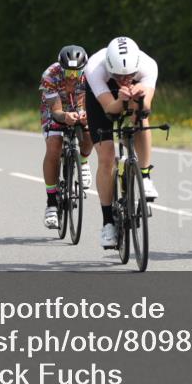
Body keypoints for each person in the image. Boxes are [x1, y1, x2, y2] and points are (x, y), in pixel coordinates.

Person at [85, 37, 159, 248]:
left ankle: (144, 176)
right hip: (102, 100)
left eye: (129, 76)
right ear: (109, 68)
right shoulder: (94, 68)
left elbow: (146, 107)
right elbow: (109, 109)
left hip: (136, 95)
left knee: (142, 118)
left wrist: (139, 98)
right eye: (118, 76)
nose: (124, 79)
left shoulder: (147, 66)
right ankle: (108, 223)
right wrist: (121, 100)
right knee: (106, 158)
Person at [39, 45, 94, 229]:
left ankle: (83, 161)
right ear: (61, 68)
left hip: (79, 107)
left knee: (91, 130)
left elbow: (91, 102)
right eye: (68, 72)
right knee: (54, 145)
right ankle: (51, 204)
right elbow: (55, 111)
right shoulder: (50, 75)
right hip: (55, 110)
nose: (72, 76)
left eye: (76, 73)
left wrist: (86, 115)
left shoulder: (91, 75)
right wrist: (65, 117)